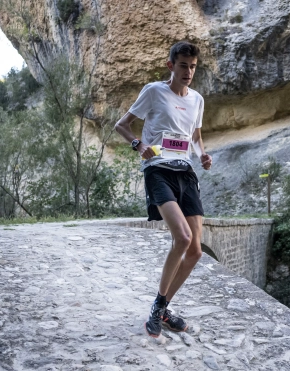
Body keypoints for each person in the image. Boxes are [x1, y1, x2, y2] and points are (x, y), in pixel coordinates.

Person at [114, 41, 212, 338]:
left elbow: (194, 136)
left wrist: (203, 154)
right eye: (183, 65)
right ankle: (158, 308)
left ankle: (165, 308)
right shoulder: (154, 91)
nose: (188, 72)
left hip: (185, 172)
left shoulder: (197, 99)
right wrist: (138, 144)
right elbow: (122, 125)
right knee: (181, 238)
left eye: (193, 67)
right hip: (158, 170)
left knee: (195, 250)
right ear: (171, 65)